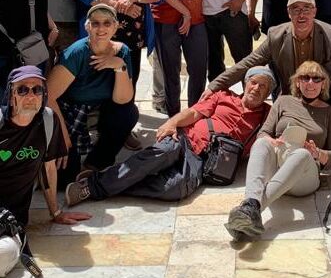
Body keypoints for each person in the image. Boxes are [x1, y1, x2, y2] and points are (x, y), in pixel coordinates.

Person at [64, 66, 274, 208]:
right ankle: (90, 188)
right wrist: (172, 122)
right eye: (253, 82)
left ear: (267, 94)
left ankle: (108, 182)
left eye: (263, 86)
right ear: (245, 83)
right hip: (185, 139)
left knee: (176, 189)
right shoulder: (223, 96)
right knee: (160, 153)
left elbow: (269, 141)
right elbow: (193, 113)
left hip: (204, 161)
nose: (256, 88)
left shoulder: (267, 115)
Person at [203, 0, 331, 135]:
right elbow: (246, 64)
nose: (301, 14)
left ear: (315, 12)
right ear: (288, 13)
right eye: (295, 9)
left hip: (323, 97)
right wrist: (214, 86)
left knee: (324, 133)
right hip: (290, 97)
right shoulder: (275, 36)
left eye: (306, 9)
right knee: (284, 132)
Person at [225, 60, 331, 240]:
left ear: (323, 83)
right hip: (279, 163)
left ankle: (249, 210)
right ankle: (250, 208)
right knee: (261, 144)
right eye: (305, 77)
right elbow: (263, 133)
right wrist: (271, 140)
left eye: (316, 79)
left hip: (305, 174)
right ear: (297, 82)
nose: (311, 83)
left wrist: (318, 153)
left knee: (302, 153)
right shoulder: (283, 101)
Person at [0, 66, 91, 278]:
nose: (30, 95)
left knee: (4, 254)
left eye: (37, 90)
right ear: (11, 95)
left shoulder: (48, 122)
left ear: (44, 95)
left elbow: (48, 167)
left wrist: (56, 213)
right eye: (22, 90)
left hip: (10, 221)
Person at [46, 3, 139, 182]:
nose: (101, 28)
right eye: (95, 23)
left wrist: (119, 66)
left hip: (102, 108)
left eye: (107, 23)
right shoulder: (77, 52)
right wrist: (63, 138)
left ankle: (97, 161)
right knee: (66, 177)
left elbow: (123, 99)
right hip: (69, 111)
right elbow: (48, 96)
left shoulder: (123, 51)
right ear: (87, 26)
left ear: (115, 26)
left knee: (128, 113)